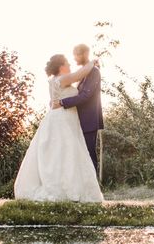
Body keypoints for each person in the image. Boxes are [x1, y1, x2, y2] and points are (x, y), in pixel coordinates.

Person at [14, 52, 103, 202]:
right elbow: (81, 73)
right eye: (67, 64)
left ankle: (64, 185)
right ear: (61, 67)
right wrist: (93, 61)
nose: (70, 66)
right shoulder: (63, 78)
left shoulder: (53, 80)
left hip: (57, 117)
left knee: (59, 153)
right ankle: (66, 188)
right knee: (67, 152)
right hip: (63, 118)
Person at [52, 44, 103, 174]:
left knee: (89, 153)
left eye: (77, 55)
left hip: (89, 120)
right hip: (79, 119)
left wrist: (63, 102)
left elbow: (85, 95)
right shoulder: (84, 73)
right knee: (81, 154)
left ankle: (94, 187)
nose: (74, 58)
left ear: (85, 54)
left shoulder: (94, 72)